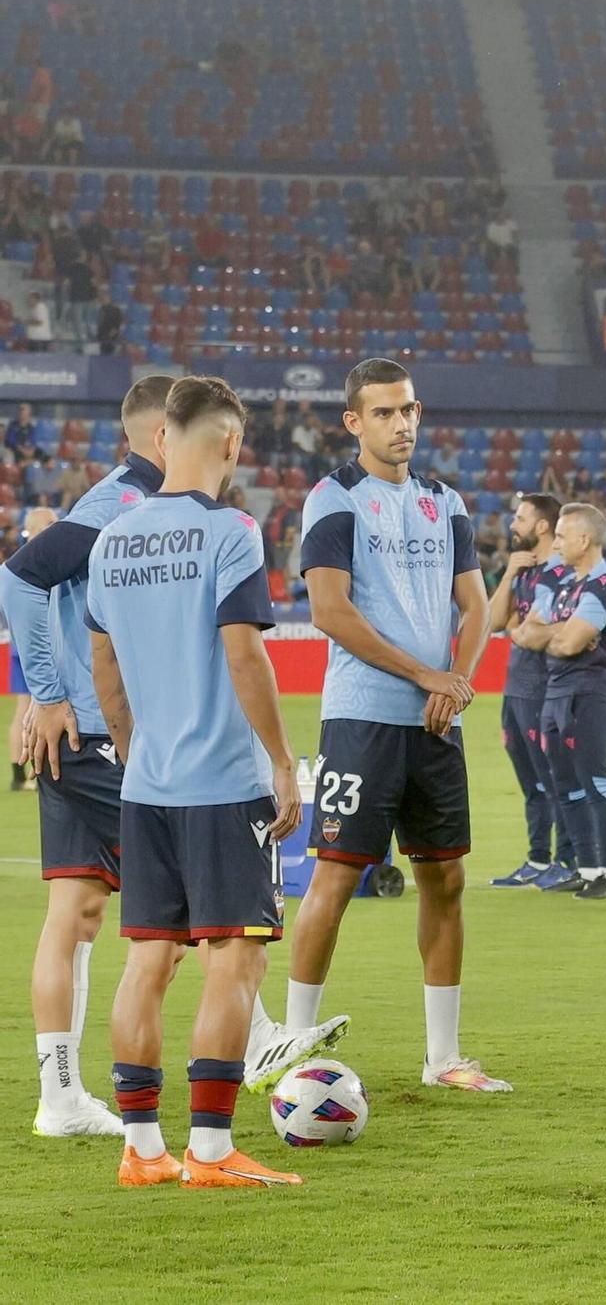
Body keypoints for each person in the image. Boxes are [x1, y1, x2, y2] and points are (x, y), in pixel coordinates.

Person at [0, 377, 340, 1138]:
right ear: (212, 440)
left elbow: (84, 636)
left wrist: (60, 698)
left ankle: (99, 1118)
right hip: (169, 760)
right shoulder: (180, 520)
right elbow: (244, 653)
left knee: (109, 934)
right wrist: (49, 690)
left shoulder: (117, 522)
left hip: (116, 757)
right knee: (224, 939)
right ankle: (235, 1091)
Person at [85, 375, 306, 1188]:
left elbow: (104, 661)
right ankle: (210, 1149)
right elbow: (244, 651)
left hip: (147, 786)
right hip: (222, 780)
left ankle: (142, 1149)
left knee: (148, 960)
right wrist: (283, 761)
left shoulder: (113, 538)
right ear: (231, 445)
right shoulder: (232, 530)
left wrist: (136, 744)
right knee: (233, 960)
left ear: (157, 443)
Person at [289, 358, 507, 1092]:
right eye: (383, 413)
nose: (402, 423)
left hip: (436, 724)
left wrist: (459, 680)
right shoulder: (333, 499)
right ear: (353, 422)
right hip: (362, 718)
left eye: (408, 409)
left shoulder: (445, 501)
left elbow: (476, 608)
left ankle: (443, 1056)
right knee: (336, 878)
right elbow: (329, 610)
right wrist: (426, 675)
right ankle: (292, 1044)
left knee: (445, 878)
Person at [513, 502, 606, 900]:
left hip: (589, 692)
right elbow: (528, 635)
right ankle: (586, 867)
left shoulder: (602, 585)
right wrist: (561, 633)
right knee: (566, 785)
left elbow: (567, 643)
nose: (555, 542)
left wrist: (558, 634)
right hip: (557, 691)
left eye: (561, 535)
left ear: (584, 539)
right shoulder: (564, 585)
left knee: (595, 781)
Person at [486, 493, 576, 888]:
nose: (512, 524)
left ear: (542, 526)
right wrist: (508, 574)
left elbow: (528, 634)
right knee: (531, 782)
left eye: (520, 517)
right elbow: (494, 623)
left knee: (555, 778)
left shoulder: (558, 574)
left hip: (546, 689)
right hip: (516, 689)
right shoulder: (522, 570)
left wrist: (521, 630)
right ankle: (538, 858)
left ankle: (568, 860)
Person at [9, 506, 56, 792]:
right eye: (50, 522)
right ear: (35, 529)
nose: (56, 525)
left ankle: (19, 773)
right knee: (41, 707)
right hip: (38, 645)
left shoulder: (17, 562)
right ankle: (37, 772)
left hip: (19, 645)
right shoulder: (45, 561)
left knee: (24, 709)